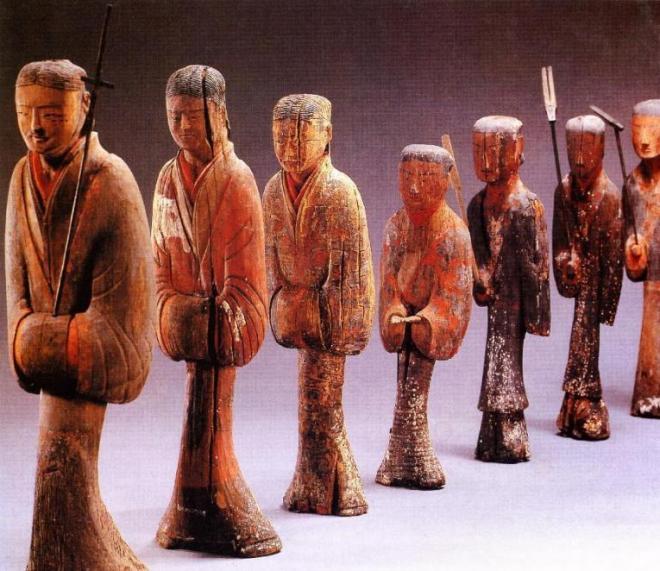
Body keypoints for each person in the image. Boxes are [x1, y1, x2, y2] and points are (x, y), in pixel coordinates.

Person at [6, 59, 154, 570]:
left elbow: (127, 327)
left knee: (68, 473)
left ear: (85, 106)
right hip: (50, 356)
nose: (35, 127)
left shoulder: (111, 181)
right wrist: (24, 335)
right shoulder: (22, 176)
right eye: (23, 113)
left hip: (89, 359)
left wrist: (43, 340)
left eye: (51, 114)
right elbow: (16, 291)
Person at [151, 65, 281, 557]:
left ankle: (212, 498)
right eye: (174, 116)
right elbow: (160, 266)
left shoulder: (237, 179)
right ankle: (193, 504)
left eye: (193, 115)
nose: (184, 126)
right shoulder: (167, 179)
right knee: (197, 426)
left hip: (224, 323)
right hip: (191, 322)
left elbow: (246, 289)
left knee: (212, 425)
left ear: (219, 115)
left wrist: (205, 316)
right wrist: (173, 311)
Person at [263, 94, 375, 515]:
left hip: (329, 318)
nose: (289, 148)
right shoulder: (273, 191)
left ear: (327, 135)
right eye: (280, 138)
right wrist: (282, 305)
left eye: (300, 137)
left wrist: (315, 310)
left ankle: (334, 487)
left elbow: (352, 278)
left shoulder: (340, 191)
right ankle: (315, 485)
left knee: (325, 402)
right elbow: (271, 264)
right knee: (313, 406)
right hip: (298, 313)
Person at [377, 144, 473, 489]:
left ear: (445, 181)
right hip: (405, 320)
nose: (415, 187)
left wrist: (429, 319)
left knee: (415, 380)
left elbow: (454, 294)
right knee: (404, 380)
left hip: (427, 323)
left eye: (426, 177)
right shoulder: (395, 226)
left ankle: (411, 455)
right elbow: (388, 282)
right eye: (407, 177)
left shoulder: (454, 233)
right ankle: (403, 456)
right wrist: (394, 309)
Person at [467, 115, 550, 463]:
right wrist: (480, 283)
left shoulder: (528, 207)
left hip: (516, 303)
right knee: (496, 355)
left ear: (517, 151)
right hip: (496, 304)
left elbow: (538, 266)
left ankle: (509, 430)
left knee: (506, 358)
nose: (486, 161)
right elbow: (476, 257)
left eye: (495, 151)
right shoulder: (475, 206)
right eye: (479, 151)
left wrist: (537, 316)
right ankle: (495, 433)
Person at [554, 115, 623, 440]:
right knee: (580, 333)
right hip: (580, 283)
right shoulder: (563, 192)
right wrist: (566, 264)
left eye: (588, 149)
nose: (580, 158)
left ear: (603, 148)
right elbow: (559, 245)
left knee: (586, 332)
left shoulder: (611, 197)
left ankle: (586, 397)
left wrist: (607, 303)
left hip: (595, 287)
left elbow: (614, 261)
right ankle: (577, 398)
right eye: (573, 149)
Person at [624, 99, 660, 418]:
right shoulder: (633, 184)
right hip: (654, 281)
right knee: (652, 332)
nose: (644, 140)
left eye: (653, 131)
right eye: (638, 132)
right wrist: (633, 247)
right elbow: (629, 228)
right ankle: (650, 392)